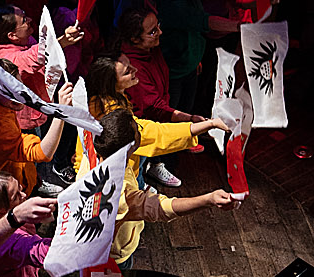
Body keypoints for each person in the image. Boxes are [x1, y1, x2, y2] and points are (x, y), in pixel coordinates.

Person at [90, 108, 233, 268]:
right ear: (131, 146)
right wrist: (209, 199)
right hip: (111, 257)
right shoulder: (117, 193)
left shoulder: (99, 145)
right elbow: (161, 207)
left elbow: (161, 133)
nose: (142, 130)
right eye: (139, 130)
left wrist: (211, 124)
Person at [116, 7, 214, 188]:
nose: (160, 32)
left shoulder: (150, 48)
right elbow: (153, 106)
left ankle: (147, 174)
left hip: (153, 114)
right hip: (140, 126)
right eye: (152, 31)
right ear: (134, 39)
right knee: (137, 160)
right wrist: (191, 120)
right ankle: (139, 188)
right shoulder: (132, 67)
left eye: (158, 26)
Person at [0, 62, 72, 196]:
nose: (20, 97)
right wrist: (60, 112)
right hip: (12, 191)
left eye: (20, 87)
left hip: (21, 173)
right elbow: (44, 152)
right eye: (11, 92)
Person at [155, 0, 221, 116]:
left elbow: (195, 28)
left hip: (190, 66)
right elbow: (201, 20)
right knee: (174, 115)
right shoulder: (171, 0)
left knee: (187, 109)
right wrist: (240, 26)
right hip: (174, 71)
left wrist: (195, 59)